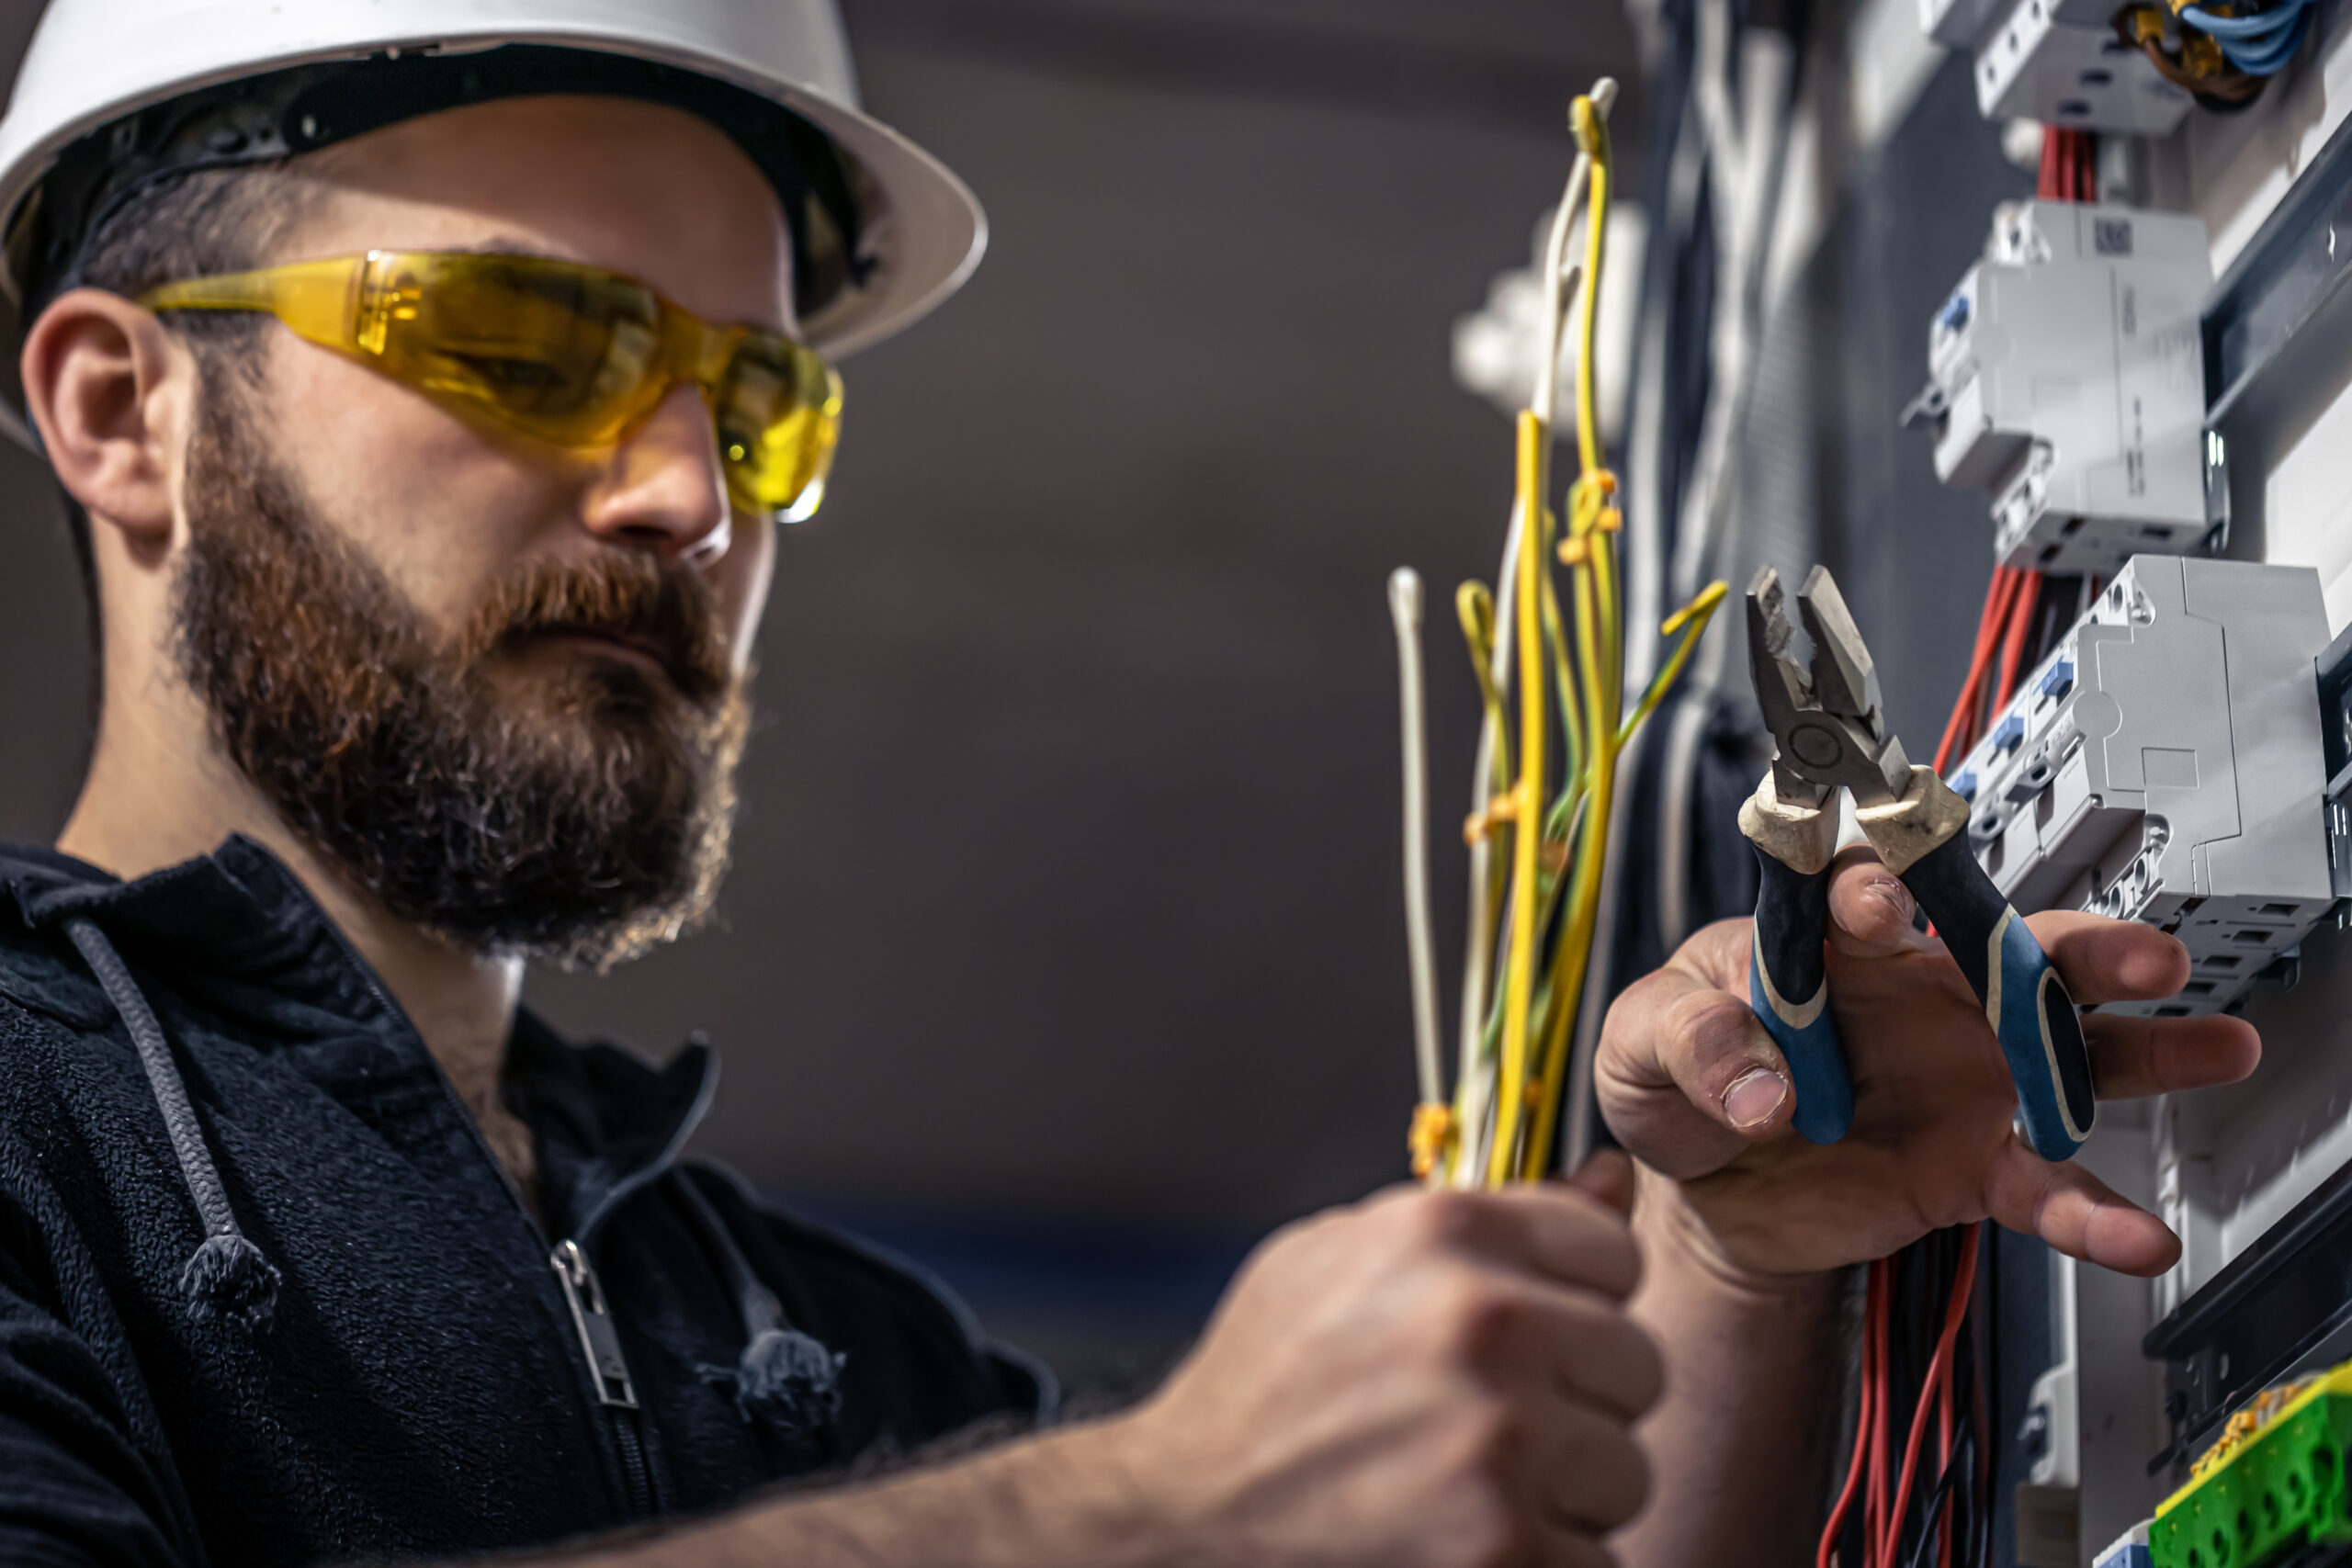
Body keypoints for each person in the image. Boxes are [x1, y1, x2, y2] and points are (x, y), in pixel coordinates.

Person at [0, 4, 2263, 1564]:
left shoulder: (820, 1353)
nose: (691, 492)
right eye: (524, 344)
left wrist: (1732, 1244)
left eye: (758, 401)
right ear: (123, 413)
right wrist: (1147, 1506)